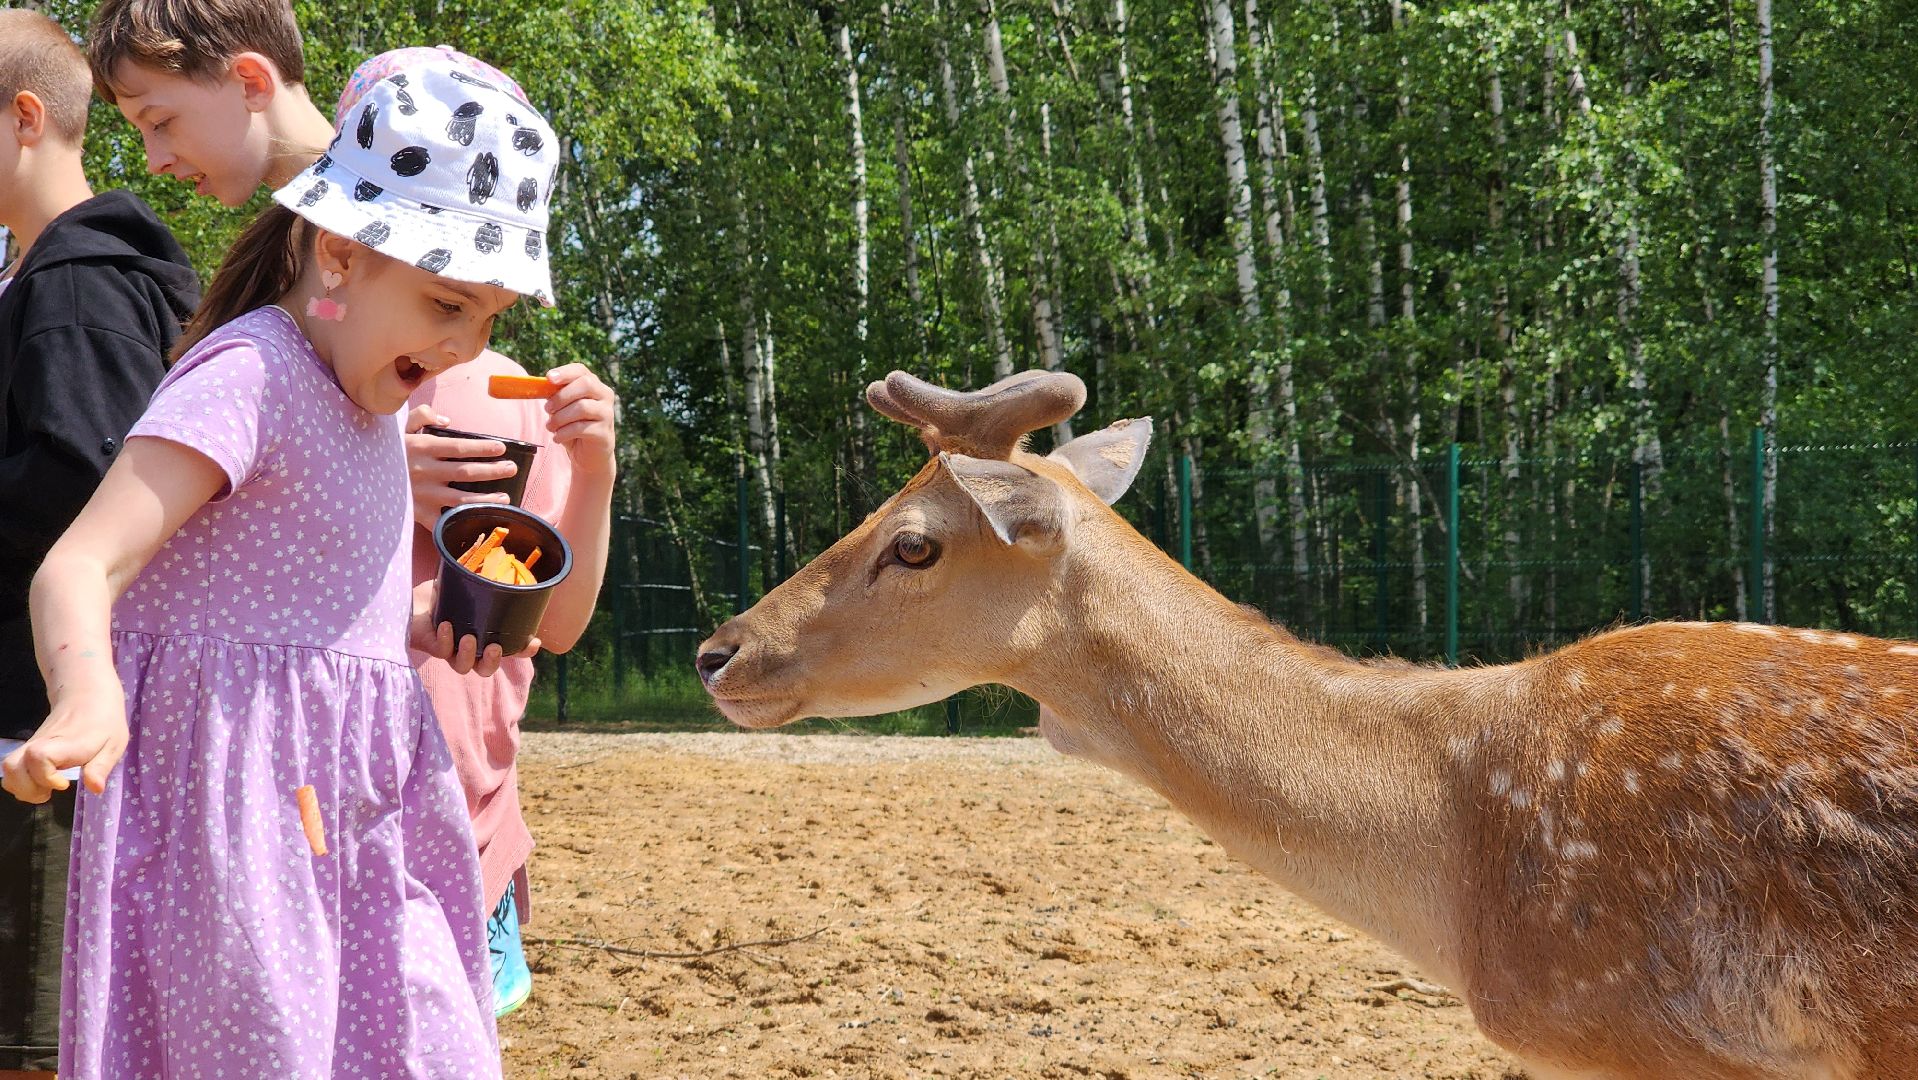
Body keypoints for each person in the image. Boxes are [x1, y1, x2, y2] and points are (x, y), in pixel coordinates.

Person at [0, 62, 558, 1077]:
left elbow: (323, 612)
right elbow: (77, 565)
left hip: (366, 825)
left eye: (488, 317)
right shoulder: (249, 375)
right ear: (341, 256)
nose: (465, 344)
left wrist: (428, 618)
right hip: (241, 835)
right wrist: (86, 691)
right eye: (445, 303)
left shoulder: (375, 413)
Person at [90, 1, 618, 1016]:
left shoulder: (471, 376)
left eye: (159, 118)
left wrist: (591, 471)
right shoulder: (287, 359)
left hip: (435, 808)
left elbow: (552, 622)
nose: (457, 334)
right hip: (305, 811)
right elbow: (149, 559)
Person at [0, 13, 200, 1079]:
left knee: (36, 1046)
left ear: (25, 118)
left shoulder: (78, 284)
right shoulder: (58, 280)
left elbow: (86, 483)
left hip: (46, 738)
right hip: (46, 725)